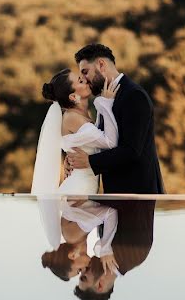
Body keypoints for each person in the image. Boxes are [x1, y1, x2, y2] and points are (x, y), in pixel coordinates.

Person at [66, 44, 164, 194]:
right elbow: (103, 142)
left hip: (137, 194)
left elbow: (132, 150)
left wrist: (89, 161)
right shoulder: (104, 98)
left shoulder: (134, 95)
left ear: (101, 64)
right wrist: (73, 158)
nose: (84, 80)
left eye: (85, 72)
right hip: (116, 194)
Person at [32, 68, 120, 195]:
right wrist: (107, 103)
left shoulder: (84, 115)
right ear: (73, 97)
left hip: (85, 191)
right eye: (80, 80)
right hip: (78, 191)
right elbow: (110, 142)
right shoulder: (72, 117)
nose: (85, 79)